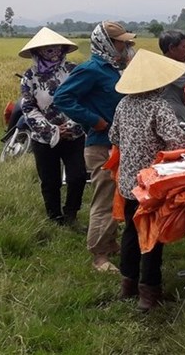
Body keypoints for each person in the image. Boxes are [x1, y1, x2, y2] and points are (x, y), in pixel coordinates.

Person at [109, 49, 185, 310]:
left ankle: (128, 285)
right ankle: (149, 293)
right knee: (151, 236)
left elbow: (114, 137)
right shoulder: (158, 106)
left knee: (132, 232)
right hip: (151, 183)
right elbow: (178, 142)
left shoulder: (123, 104)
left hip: (127, 183)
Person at [53, 20, 136, 272]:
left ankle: (109, 243)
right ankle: (99, 255)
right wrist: (95, 121)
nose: (127, 47)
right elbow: (62, 97)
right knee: (106, 199)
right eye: (122, 42)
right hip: (101, 145)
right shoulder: (92, 69)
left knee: (116, 195)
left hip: (117, 142)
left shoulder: (113, 68)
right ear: (107, 43)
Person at [18, 27, 87, 226]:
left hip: (74, 134)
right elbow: (29, 107)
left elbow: (83, 100)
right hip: (44, 137)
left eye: (55, 47)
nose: (52, 51)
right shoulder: (30, 77)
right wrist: (52, 130)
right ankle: (55, 217)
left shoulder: (74, 71)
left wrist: (71, 126)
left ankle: (71, 213)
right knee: (50, 181)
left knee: (77, 176)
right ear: (37, 51)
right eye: (47, 48)